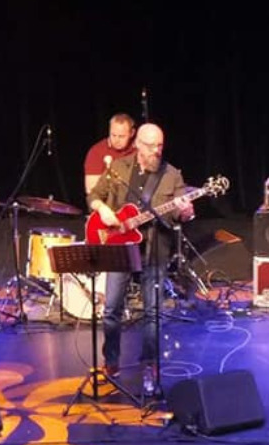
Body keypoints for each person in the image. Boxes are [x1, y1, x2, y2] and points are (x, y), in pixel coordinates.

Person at [86, 123, 195, 378]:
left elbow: (180, 211)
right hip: (119, 248)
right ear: (137, 145)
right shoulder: (118, 168)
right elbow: (94, 195)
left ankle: (150, 362)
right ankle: (111, 360)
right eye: (150, 146)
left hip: (154, 250)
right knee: (111, 308)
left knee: (152, 312)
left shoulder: (172, 175)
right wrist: (102, 209)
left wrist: (186, 211)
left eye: (159, 145)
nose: (156, 151)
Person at [82, 113, 136, 195]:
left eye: (121, 136)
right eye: (113, 135)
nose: (116, 140)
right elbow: (91, 190)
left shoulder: (137, 150)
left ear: (132, 133)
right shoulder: (97, 152)